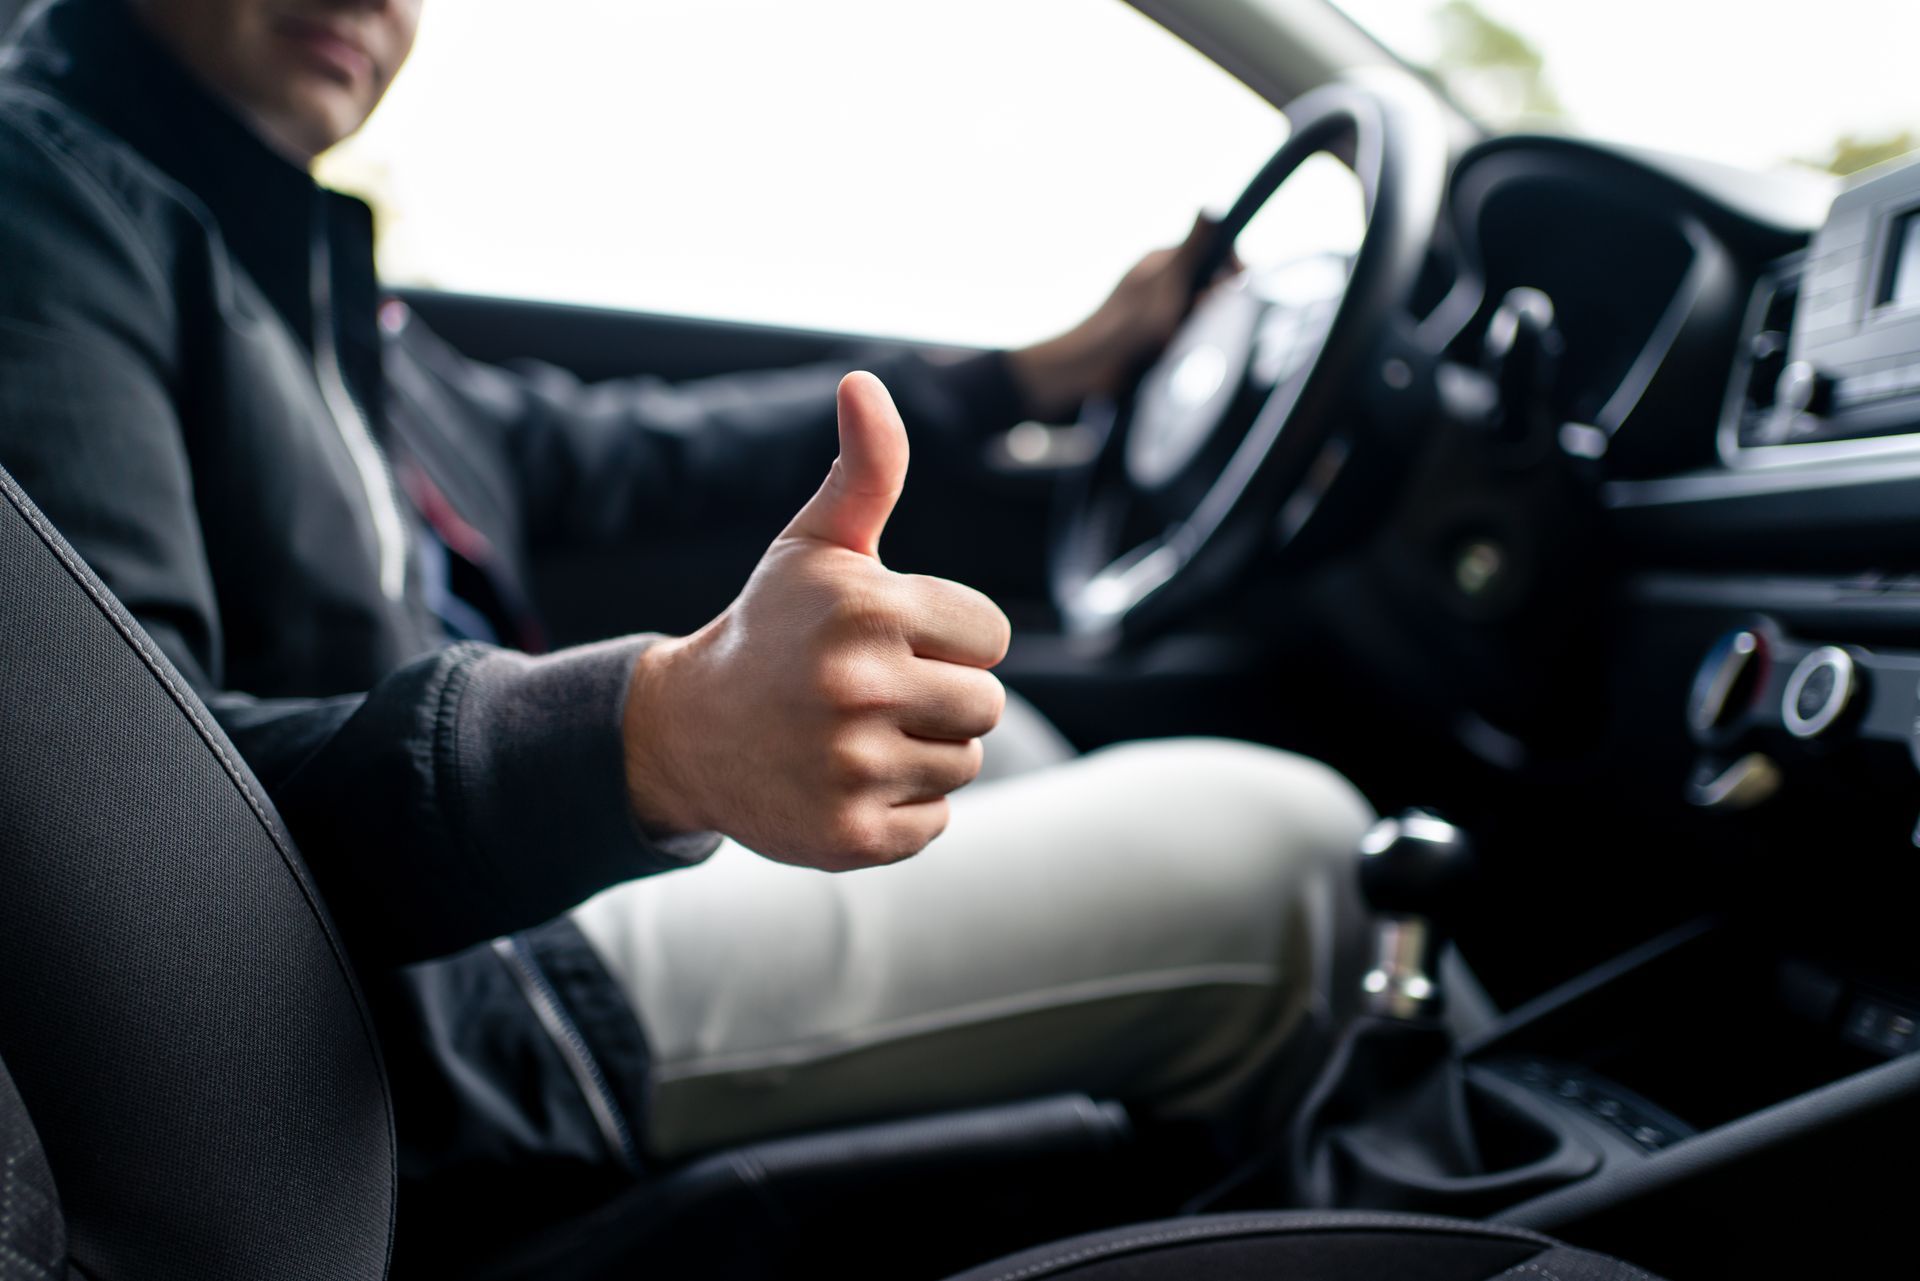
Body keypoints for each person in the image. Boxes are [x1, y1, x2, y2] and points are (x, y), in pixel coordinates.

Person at [0, 0, 1373, 1256]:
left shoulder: (279, 257)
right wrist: (647, 737)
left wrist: (1021, 377)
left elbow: (603, 448)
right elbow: (130, 825)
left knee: (1002, 742)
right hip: (419, 1013)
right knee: (1297, 846)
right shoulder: (46, 203)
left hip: (495, 912)